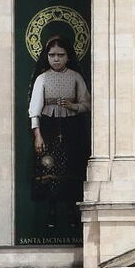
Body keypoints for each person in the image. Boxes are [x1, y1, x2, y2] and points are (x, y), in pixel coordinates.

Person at [28, 36, 90, 229]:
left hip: (72, 128)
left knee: (71, 169)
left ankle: (72, 212)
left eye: (60, 55)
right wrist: (38, 135)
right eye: (52, 55)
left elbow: (87, 104)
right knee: (49, 168)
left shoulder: (75, 77)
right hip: (49, 127)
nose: (56, 59)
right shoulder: (42, 78)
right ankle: (52, 211)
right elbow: (34, 108)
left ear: (67, 57)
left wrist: (73, 106)